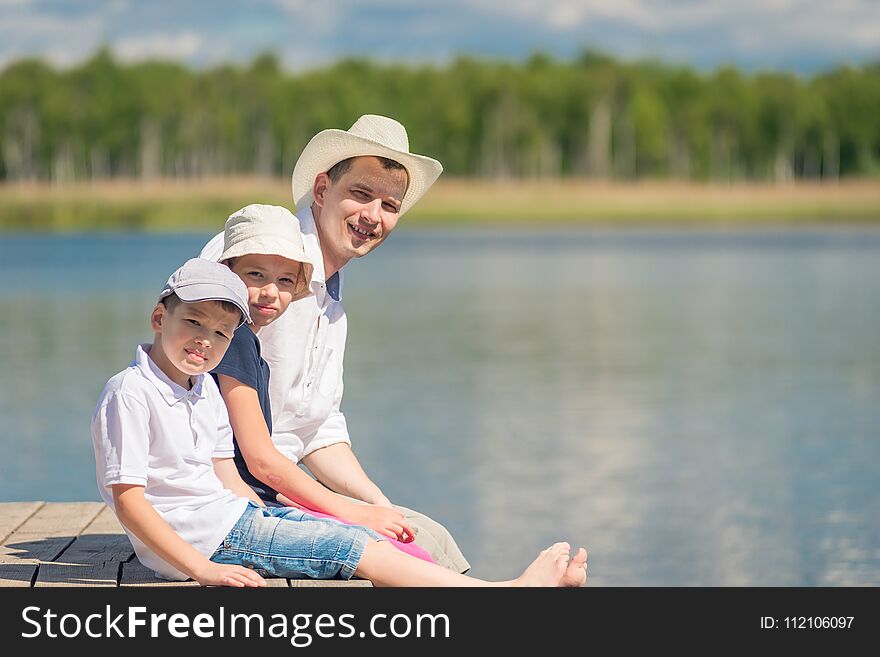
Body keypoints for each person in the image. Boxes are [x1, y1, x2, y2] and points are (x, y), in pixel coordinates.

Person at [90, 258, 588, 586]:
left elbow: (226, 475)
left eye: (221, 333)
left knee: (357, 534)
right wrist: (202, 569)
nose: (205, 341)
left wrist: (277, 518)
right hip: (199, 543)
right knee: (348, 545)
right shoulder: (131, 393)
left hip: (229, 520)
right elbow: (128, 499)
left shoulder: (202, 391)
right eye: (192, 322)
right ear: (160, 317)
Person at [200, 115, 468, 571]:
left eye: (389, 204)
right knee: (404, 553)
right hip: (232, 497)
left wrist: (381, 506)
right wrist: (352, 511)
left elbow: (317, 430)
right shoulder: (259, 263)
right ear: (322, 190)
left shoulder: (331, 301)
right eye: (361, 194)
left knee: (424, 534)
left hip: (278, 487)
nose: (373, 216)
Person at [211, 203, 432, 562]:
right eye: (255, 275)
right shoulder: (232, 340)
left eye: (285, 281)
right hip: (236, 512)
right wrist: (354, 512)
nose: (270, 291)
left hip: (259, 497)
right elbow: (257, 460)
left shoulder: (250, 340)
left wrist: (373, 502)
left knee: (412, 542)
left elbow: (316, 428)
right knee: (386, 550)